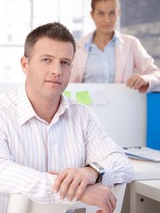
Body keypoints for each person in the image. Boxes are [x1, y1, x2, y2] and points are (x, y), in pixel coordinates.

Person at [0, 22, 133, 213]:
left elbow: (122, 162)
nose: (57, 71)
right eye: (47, 60)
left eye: (65, 62)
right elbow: (2, 171)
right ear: (25, 65)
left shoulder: (82, 115)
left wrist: (91, 172)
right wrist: (75, 192)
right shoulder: (3, 112)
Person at [70, 0, 160, 93]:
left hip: (120, 106)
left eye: (112, 13)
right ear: (92, 15)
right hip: (85, 107)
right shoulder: (77, 47)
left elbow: (157, 74)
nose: (107, 20)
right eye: (101, 13)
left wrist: (146, 79)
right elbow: (67, 83)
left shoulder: (131, 43)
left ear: (118, 13)